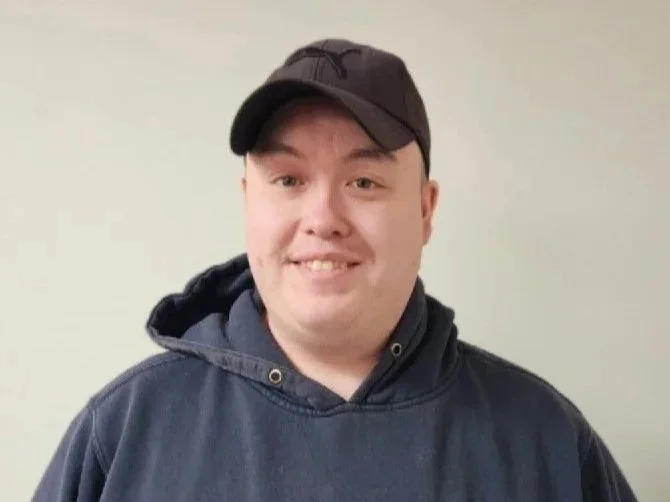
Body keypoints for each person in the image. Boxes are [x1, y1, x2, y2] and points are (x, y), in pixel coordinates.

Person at [33, 38, 637, 501]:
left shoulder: (546, 441)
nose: (322, 218)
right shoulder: (124, 432)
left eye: (364, 182)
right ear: (247, 202)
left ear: (425, 210)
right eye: (288, 180)